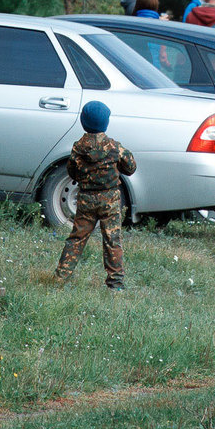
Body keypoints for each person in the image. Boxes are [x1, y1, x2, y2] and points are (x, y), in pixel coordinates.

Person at [52, 100, 135, 289]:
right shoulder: (114, 147)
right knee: (112, 240)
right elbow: (130, 167)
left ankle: (60, 278)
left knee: (76, 238)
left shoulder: (77, 148)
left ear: (83, 122)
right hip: (110, 201)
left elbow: (72, 172)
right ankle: (116, 284)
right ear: (106, 122)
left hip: (85, 199)